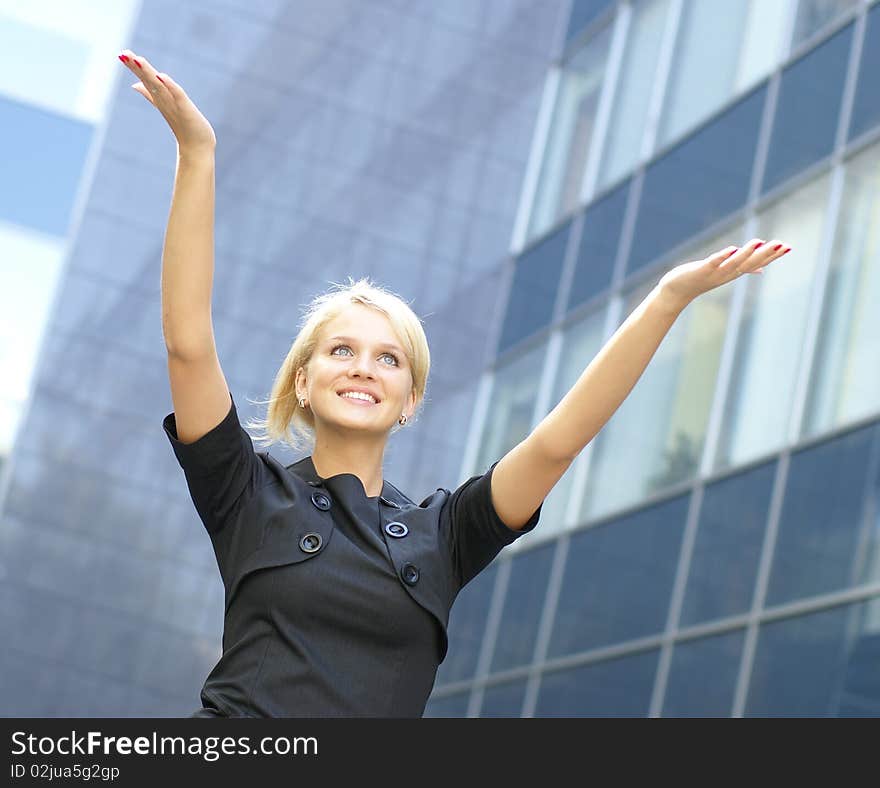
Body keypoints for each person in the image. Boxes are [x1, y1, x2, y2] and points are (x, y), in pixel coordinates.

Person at [119, 49, 792, 718]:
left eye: (389, 359)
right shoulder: (245, 493)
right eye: (342, 350)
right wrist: (197, 155)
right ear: (303, 378)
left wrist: (668, 298)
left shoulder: (445, 532)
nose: (362, 367)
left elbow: (557, 443)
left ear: (411, 399)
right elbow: (187, 343)